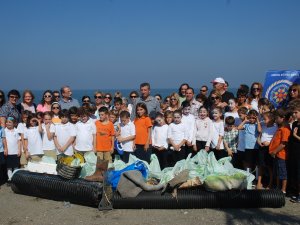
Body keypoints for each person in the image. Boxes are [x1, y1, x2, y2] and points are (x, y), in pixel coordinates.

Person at [269, 109, 291, 195]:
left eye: (277, 118)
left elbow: (283, 144)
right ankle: (277, 188)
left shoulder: (285, 129)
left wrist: (274, 151)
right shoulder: (280, 128)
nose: (275, 119)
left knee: (283, 172)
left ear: (283, 118)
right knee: (278, 172)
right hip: (276, 154)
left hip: (281, 155)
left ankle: (283, 189)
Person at [256, 111, 277, 189]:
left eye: (265, 119)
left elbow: (275, 138)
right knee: (261, 165)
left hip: (269, 149)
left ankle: (270, 184)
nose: (264, 121)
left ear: (271, 119)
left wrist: (269, 143)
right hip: (261, 148)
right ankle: (259, 182)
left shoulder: (275, 127)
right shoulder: (264, 127)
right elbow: (259, 135)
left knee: (269, 167)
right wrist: (259, 141)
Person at [2, 116, 21, 181]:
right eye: (7, 122)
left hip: (15, 152)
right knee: (9, 166)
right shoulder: (4, 130)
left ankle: (14, 177)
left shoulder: (16, 130)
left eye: (10, 122)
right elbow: (3, 141)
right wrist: (5, 149)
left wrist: (19, 150)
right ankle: (10, 178)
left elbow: (19, 141)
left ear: (14, 123)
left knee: (15, 166)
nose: (8, 123)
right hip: (8, 152)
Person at [289, 100, 300, 203]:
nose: (294, 114)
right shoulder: (296, 123)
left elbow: (296, 137)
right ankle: (296, 192)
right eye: (293, 112)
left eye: (296, 112)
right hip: (295, 151)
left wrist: (295, 135)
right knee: (295, 172)